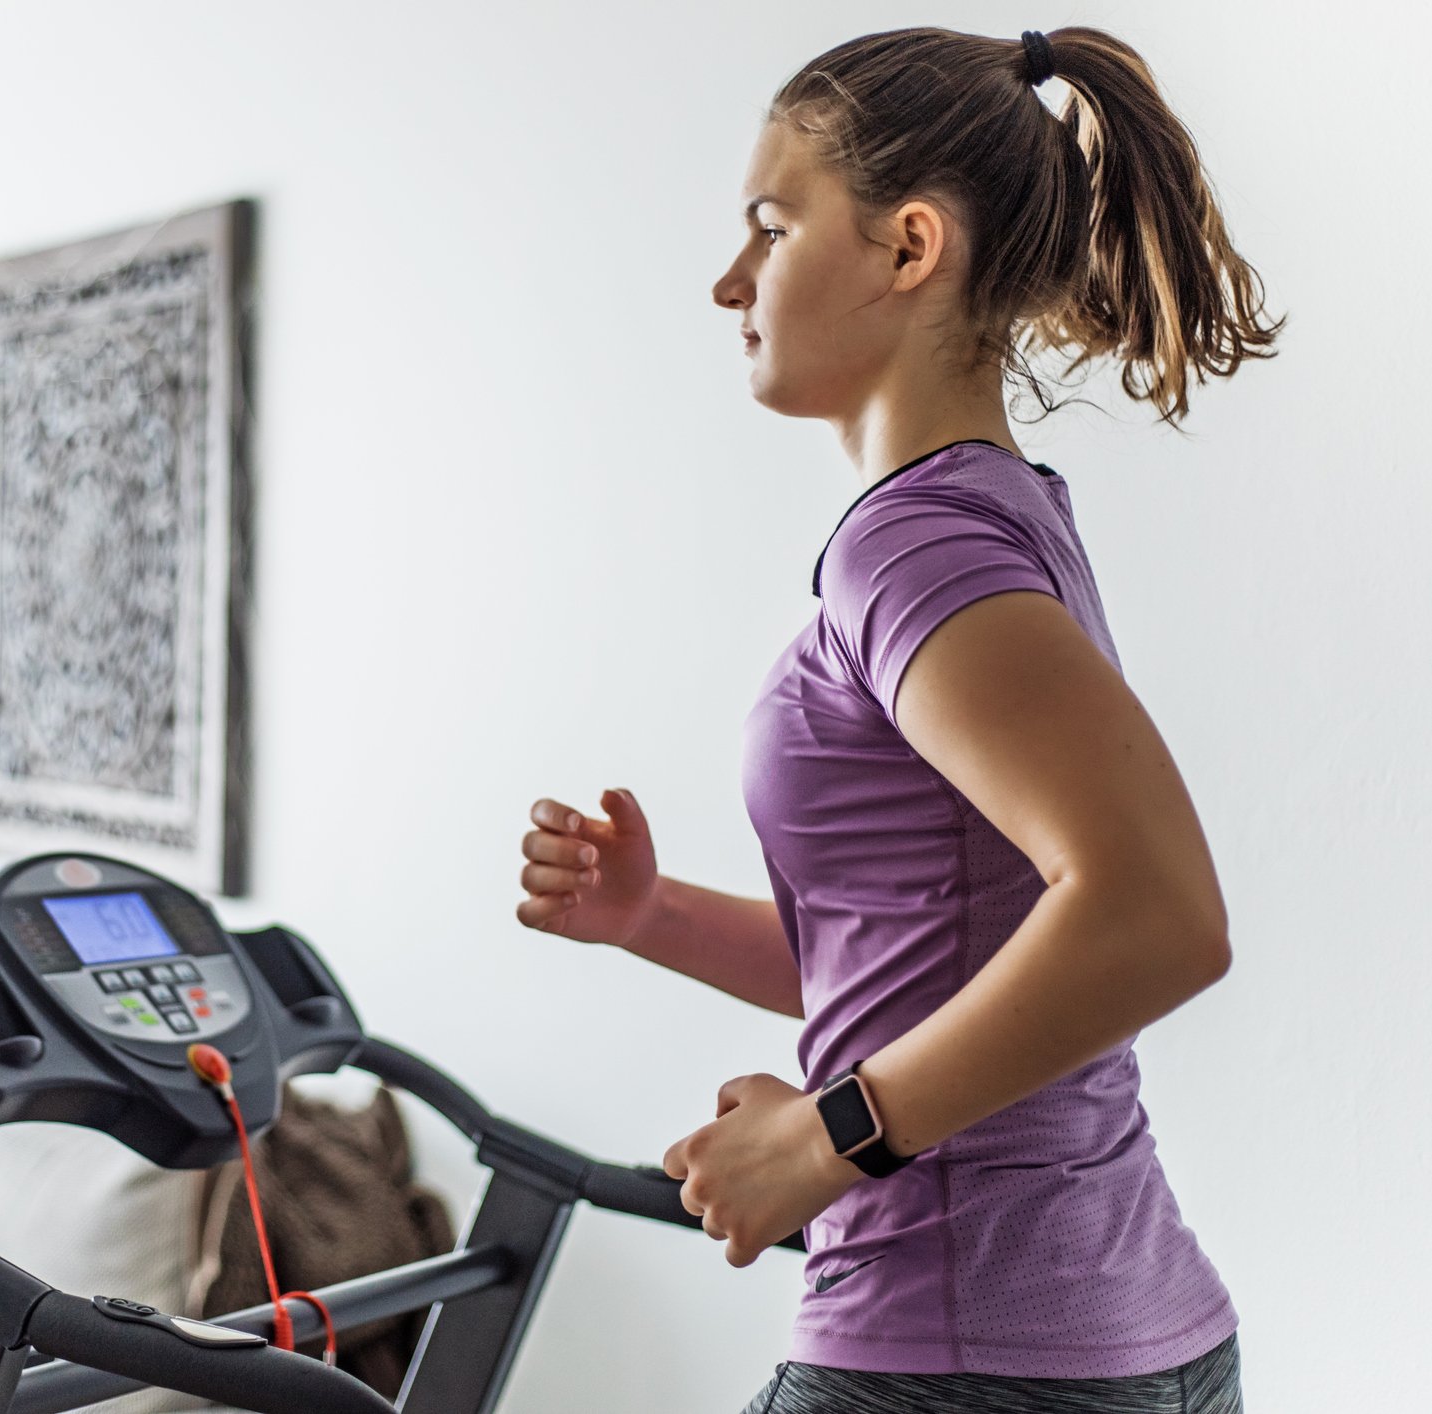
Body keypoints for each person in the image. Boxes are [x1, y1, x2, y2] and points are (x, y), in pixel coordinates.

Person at [515, 25, 1283, 1414]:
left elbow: (1156, 913)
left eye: (771, 227)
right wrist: (650, 914)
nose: (729, 280)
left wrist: (824, 1140)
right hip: (1124, 1336)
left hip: (954, 1352)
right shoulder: (994, 519)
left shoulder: (913, 549)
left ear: (909, 246)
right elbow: (941, 951)